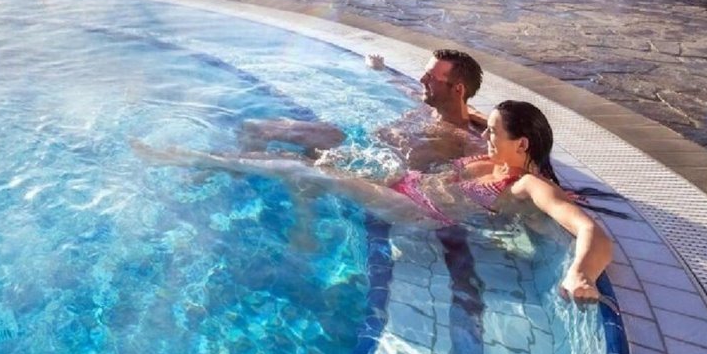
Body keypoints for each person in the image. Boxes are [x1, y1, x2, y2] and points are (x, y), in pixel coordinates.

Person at [134, 100, 614, 304]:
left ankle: (186, 158)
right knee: (320, 151)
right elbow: (466, 121)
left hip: (418, 212)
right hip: (403, 183)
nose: (484, 136)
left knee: (307, 170)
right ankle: (237, 173)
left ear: (523, 145)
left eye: (493, 131)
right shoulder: (494, 161)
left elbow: (592, 231)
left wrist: (579, 274)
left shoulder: (527, 186)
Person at [241, 49, 487, 171]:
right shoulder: (428, 105)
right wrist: (381, 69)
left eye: (431, 77)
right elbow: (406, 87)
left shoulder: (464, 138)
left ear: (458, 90)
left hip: (365, 165)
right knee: (257, 127)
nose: (422, 79)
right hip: (354, 140)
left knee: (282, 165)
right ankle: (242, 183)